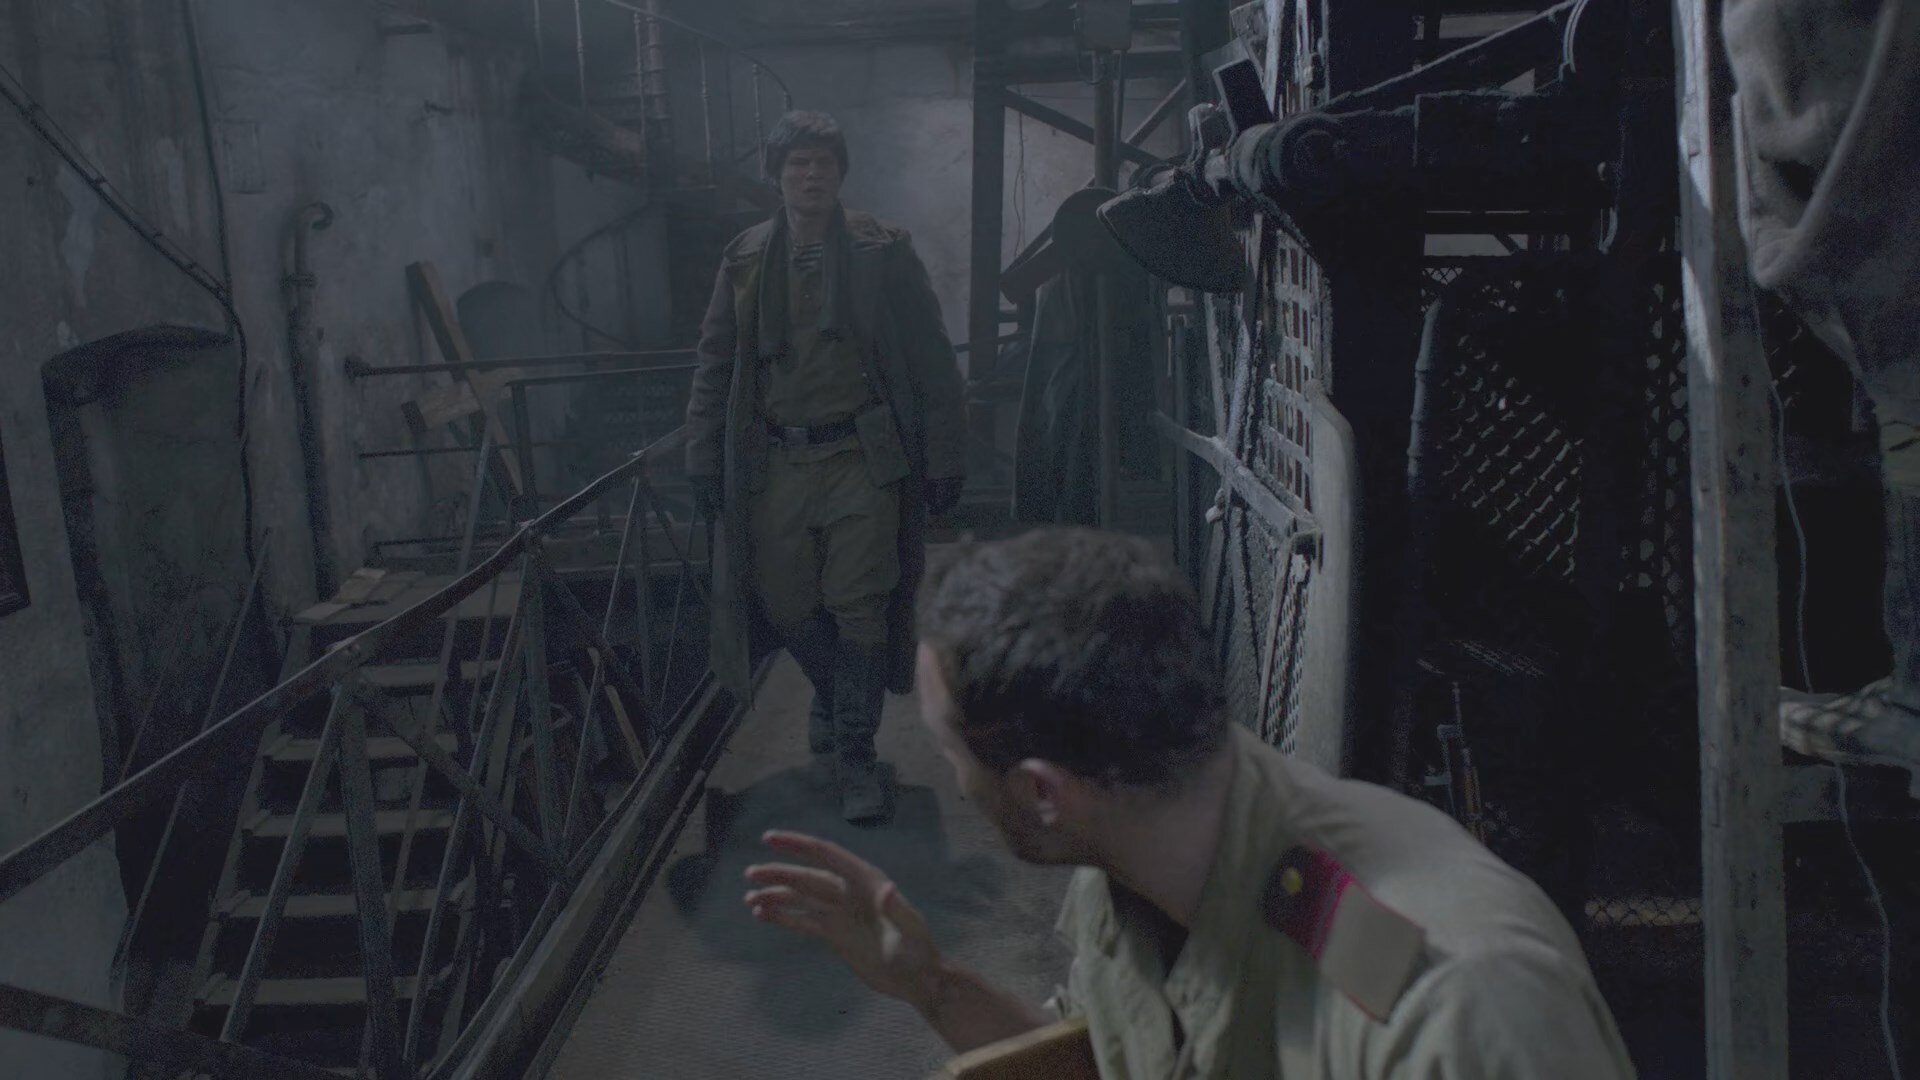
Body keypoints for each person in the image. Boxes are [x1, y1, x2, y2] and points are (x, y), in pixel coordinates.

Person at [741, 527, 1637, 1077]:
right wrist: (932, 988)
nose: (952, 780)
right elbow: (1117, 1062)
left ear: (1041, 793)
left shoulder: (1457, 1008)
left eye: (950, 754)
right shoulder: (1141, 847)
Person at [684, 111, 967, 823]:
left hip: (862, 456)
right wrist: (701, 453)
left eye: (824, 164)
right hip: (776, 457)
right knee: (785, 604)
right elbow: (715, 362)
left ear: (841, 175)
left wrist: (945, 454)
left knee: (860, 602)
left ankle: (854, 754)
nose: (811, 177)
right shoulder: (745, 259)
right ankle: (839, 692)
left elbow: (933, 358)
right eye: (798, 165)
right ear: (777, 178)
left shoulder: (883, 251)